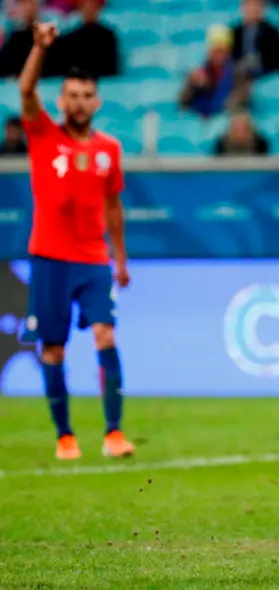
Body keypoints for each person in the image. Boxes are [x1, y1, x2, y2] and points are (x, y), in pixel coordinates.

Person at [18, 23, 134, 461]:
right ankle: (65, 436)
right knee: (53, 347)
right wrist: (38, 48)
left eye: (87, 95)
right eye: (73, 96)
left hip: (94, 260)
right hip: (50, 258)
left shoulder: (109, 150)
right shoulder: (43, 135)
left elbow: (113, 208)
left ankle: (114, 433)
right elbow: (25, 90)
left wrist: (120, 260)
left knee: (105, 334)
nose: (80, 102)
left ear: (97, 102)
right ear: (61, 101)